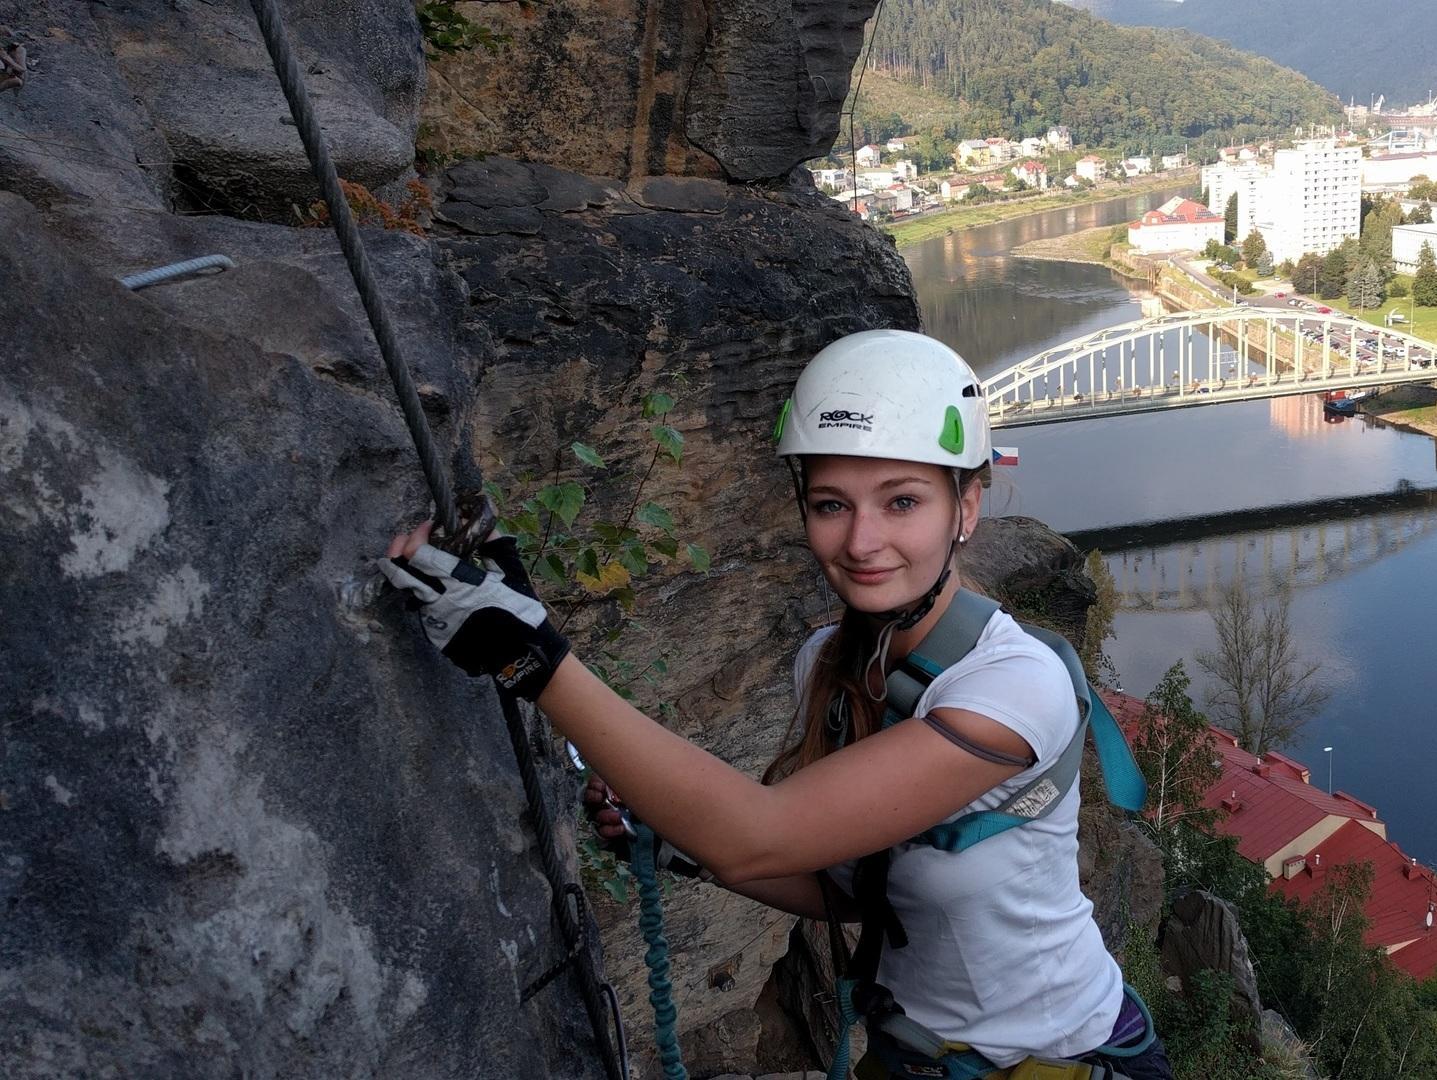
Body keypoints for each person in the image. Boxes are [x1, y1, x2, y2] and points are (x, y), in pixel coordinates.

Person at [379, 329, 1172, 1080]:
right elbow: (853, 889)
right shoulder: (825, 667)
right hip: (914, 1057)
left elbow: (761, 837)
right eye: (832, 504)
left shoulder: (1013, 687)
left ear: (965, 508)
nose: (861, 541)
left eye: (902, 502)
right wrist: (675, 842)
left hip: (1059, 1060)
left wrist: (539, 661)